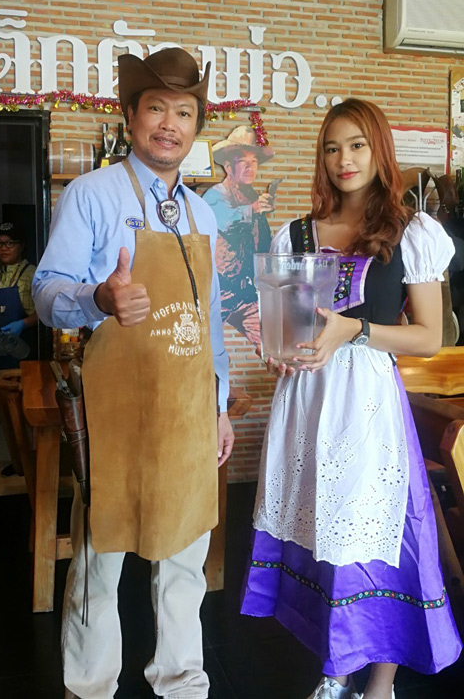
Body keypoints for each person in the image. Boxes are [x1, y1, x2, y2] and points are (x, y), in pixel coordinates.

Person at [240, 98, 462, 699]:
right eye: (333, 147)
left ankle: (381, 681)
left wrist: (354, 330)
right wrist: (278, 347)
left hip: (366, 402)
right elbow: (286, 326)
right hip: (306, 399)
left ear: (378, 150)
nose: (345, 159)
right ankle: (336, 667)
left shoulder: (412, 232)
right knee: (323, 535)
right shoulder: (296, 233)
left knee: (374, 534)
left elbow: (429, 337)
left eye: (358, 145)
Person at [32, 47, 234, 699]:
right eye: (156, 108)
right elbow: (44, 291)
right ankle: (90, 687)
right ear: (130, 116)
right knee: (101, 560)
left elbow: (208, 321)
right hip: (115, 410)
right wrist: (99, 297)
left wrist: (220, 405)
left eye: (184, 112)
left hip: (187, 411)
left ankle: (182, 682)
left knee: (185, 558)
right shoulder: (92, 195)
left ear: (196, 126)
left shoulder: (203, 213)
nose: (170, 124)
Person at [203, 125, 275, 345]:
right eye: (242, 161)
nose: (249, 167)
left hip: (246, 293)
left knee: (271, 344)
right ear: (228, 166)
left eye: (254, 161)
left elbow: (263, 241)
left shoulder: (251, 196)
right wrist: (254, 209)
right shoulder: (214, 194)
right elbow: (226, 221)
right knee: (199, 347)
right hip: (218, 292)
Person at [0, 220, 38, 475]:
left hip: (23, 351)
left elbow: (43, 313)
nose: (3, 248)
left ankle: (32, 460)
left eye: (10, 243)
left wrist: (22, 324)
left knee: (26, 409)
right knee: (5, 408)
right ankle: (17, 459)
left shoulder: (32, 274)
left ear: (21, 246)